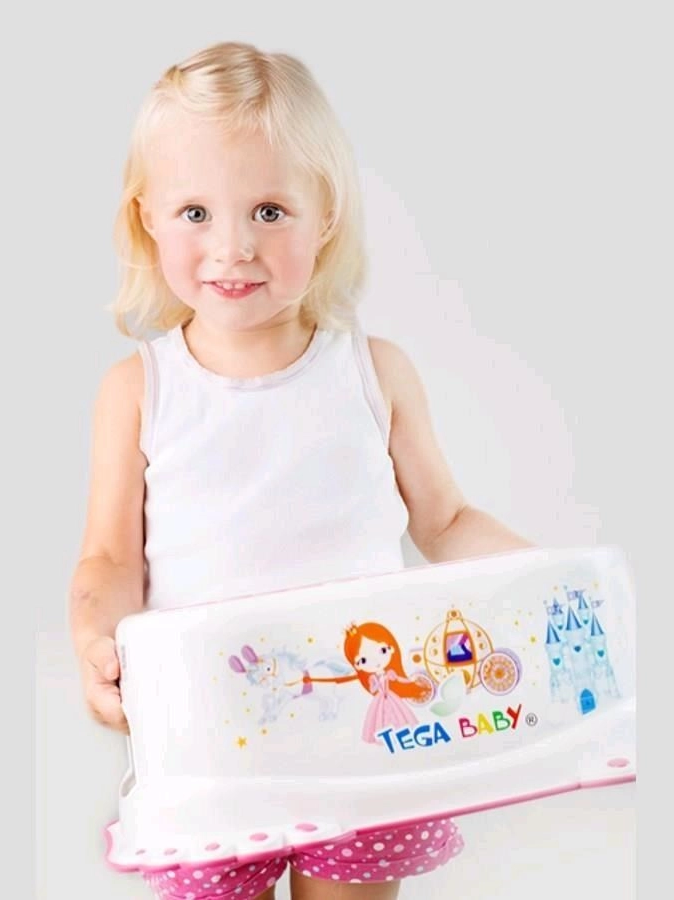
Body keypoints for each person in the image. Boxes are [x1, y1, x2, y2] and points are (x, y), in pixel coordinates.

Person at [69, 40, 533, 900]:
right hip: (207, 748)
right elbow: (108, 557)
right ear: (147, 218)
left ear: (325, 217)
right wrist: (97, 640)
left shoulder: (373, 371)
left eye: (270, 210)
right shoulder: (138, 390)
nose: (233, 246)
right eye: (195, 212)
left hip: (360, 742)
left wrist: (541, 577)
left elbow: (444, 521)